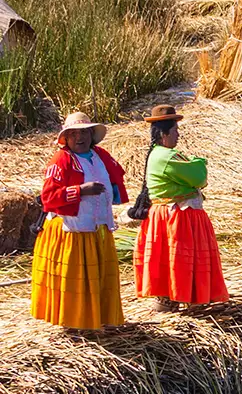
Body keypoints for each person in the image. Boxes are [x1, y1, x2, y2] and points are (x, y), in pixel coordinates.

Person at [30, 112, 129, 330]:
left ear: (92, 135)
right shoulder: (61, 160)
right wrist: (80, 191)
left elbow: (115, 182)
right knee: (77, 279)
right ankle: (74, 323)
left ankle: (98, 318)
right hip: (72, 230)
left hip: (98, 227)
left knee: (98, 277)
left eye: (84, 132)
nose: (79, 138)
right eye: (73, 134)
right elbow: (48, 197)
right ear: (66, 139)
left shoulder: (100, 156)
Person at [130, 105, 229, 310]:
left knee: (172, 258)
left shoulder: (160, 154)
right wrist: (197, 163)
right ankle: (176, 298)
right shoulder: (166, 156)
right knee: (177, 258)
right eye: (175, 131)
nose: (178, 135)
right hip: (174, 217)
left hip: (171, 214)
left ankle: (172, 299)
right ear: (164, 133)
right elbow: (199, 176)